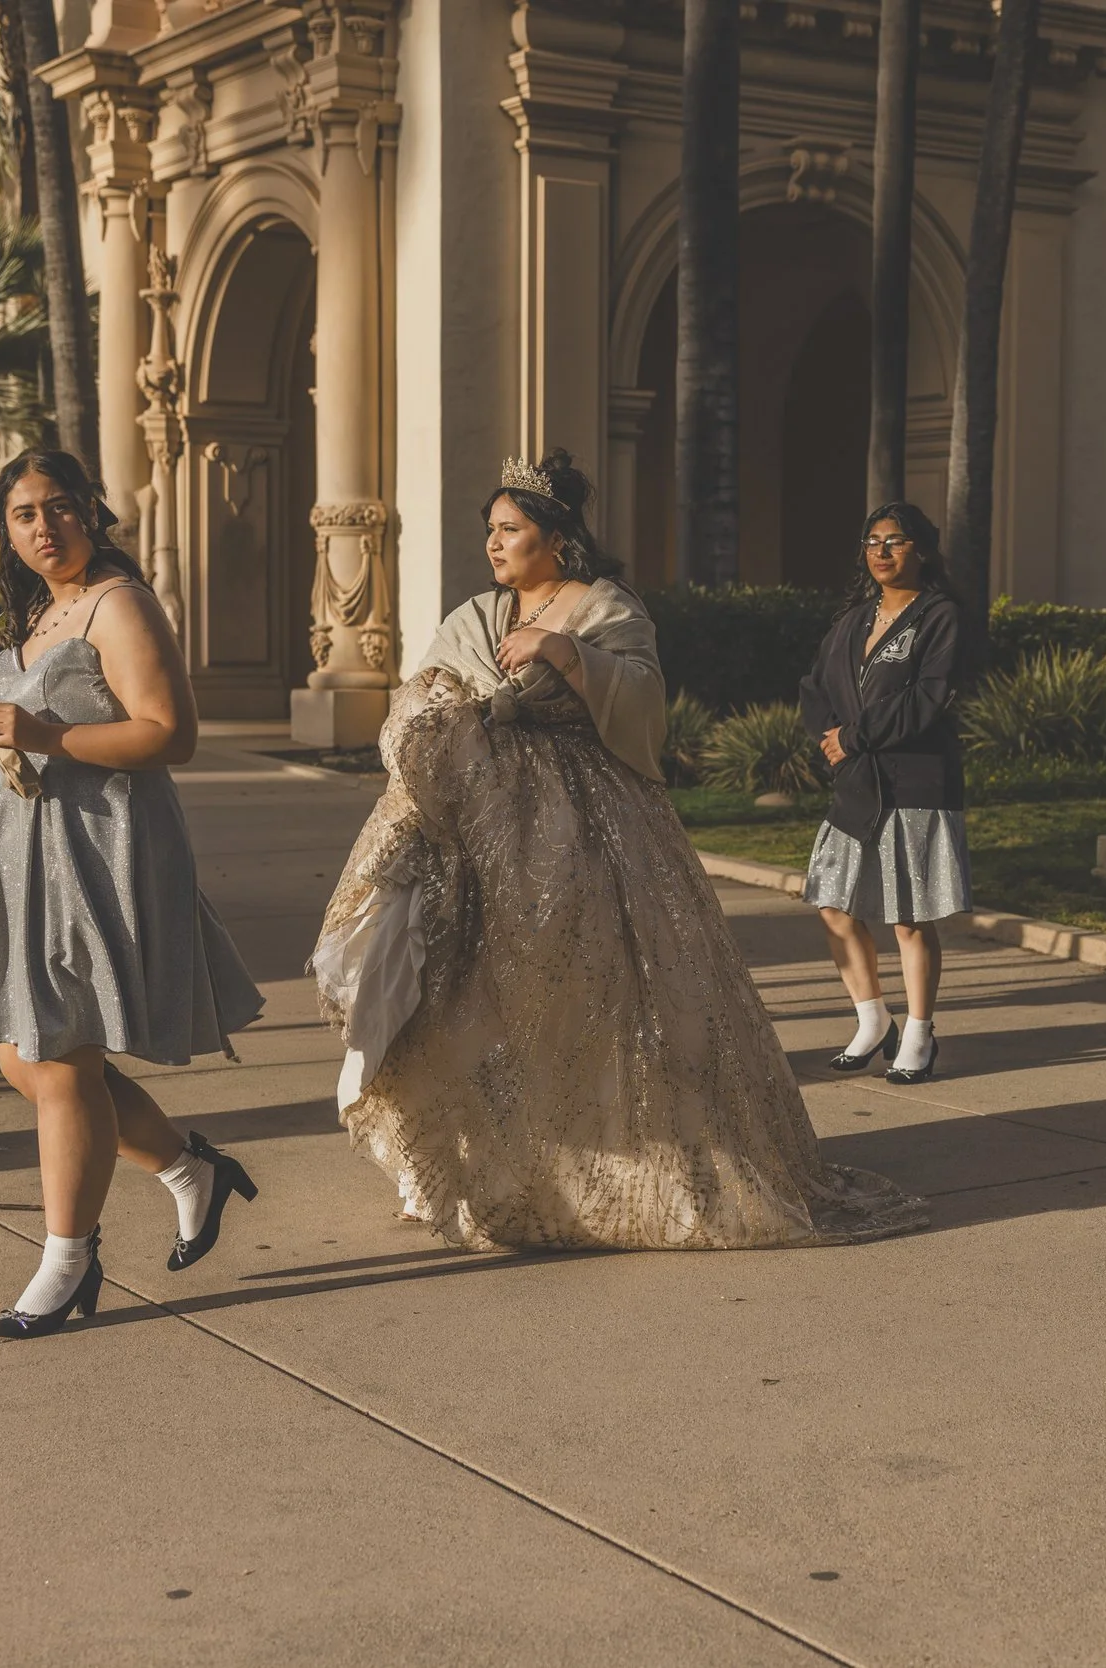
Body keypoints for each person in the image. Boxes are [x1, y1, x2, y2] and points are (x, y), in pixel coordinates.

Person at [310, 451, 927, 1250]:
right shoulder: (471, 617)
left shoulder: (605, 608)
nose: (494, 545)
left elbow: (641, 705)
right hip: (483, 835)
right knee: (477, 999)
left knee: (601, 994)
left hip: (595, 831)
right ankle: (493, 1169)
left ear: (556, 539)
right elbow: (426, 692)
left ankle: (627, 1170)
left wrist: (566, 655)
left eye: (510, 530)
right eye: (489, 531)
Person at [0, 450, 266, 1338]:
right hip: (28, 858)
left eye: (58, 508)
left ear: (91, 512)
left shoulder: (117, 603)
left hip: (103, 854)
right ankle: (188, 1172)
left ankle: (68, 1260)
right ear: (7, 534)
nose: (42, 527)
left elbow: (171, 735)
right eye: (23, 516)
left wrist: (47, 732)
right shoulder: (41, 612)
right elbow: (15, 754)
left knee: (58, 1061)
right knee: (29, 1060)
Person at [797, 502, 973, 1083]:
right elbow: (815, 685)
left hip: (916, 782)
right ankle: (873, 1019)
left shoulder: (940, 615)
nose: (881, 551)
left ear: (920, 549)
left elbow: (929, 697)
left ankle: (919, 1036)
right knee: (833, 905)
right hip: (857, 781)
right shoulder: (853, 619)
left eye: (895, 541)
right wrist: (830, 737)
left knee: (909, 918)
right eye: (872, 541)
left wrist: (855, 735)